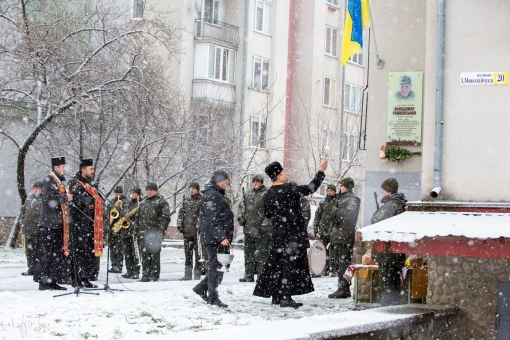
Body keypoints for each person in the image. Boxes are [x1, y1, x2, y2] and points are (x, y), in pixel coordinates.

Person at [253, 159, 327, 308]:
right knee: (290, 265)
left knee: (277, 265)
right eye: (284, 172)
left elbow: (267, 214)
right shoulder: (289, 189)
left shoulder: (267, 194)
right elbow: (310, 188)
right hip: (292, 234)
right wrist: (321, 171)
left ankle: (277, 295)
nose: (287, 174)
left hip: (278, 234)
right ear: (279, 176)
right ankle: (285, 296)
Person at [193, 170, 233, 308]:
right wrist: (221, 237)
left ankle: (202, 288)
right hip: (214, 239)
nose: (227, 183)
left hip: (215, 238)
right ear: (218, 181)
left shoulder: (214, 194)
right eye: (225, 181)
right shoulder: (212, 195)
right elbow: (211, 219)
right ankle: (212, 296)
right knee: (215, 267)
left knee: (219, 266)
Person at [33, 156, 71, 291]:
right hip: (49, 224)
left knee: (56, 255)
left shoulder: (58, 181)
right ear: (56, 167)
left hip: (57, 224)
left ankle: (53, 279)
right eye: (62, 167)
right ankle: (44, 281)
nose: (64, 169)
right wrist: (66, 197)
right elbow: (49, 200)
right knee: (46, 254)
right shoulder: (49, 180)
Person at [68, 159, 104, 289]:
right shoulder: (75, 183)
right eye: (91, 169)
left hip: (90, 224)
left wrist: (94, 204)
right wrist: (85, 203)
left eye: (93, 169)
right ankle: (76, 278)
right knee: (78, 252)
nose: (93, 171)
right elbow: (73, 202)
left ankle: (85, 277)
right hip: (78, 224)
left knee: (88, 253)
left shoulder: (92, 184)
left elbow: (99, 199)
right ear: (83, 170)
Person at [371, 178, 407, 306]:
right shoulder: (401, 204)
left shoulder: (391, 205)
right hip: (396, 250)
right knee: (395, 279)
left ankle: (388, 305)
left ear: (389, 191)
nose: (381, 191)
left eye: (383, 190)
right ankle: (394, 303)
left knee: (387, 280)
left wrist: (376, 213)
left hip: (387, 250)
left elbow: (376, 221)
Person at [328, 178, 360, 298]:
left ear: (348, 187)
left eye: (342, 185)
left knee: (343, 262)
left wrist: (336, 210)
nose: (339, 188)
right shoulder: (338, 198)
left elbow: (350, 216)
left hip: (345, 235)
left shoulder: (353, 199)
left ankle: (344, 287)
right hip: (337, 235)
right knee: (337, 262)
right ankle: (341, 286)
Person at [237, 174, 271, 283]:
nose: (255, 184)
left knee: (262, 253)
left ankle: (261, 275)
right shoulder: (248, 194)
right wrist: (240, 218)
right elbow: (241, 208)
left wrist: (265, 224)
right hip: (248, 228)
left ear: (261, 182)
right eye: (254, 182)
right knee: (248, 253)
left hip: (261, 229)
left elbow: (269, 212)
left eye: (257, 182)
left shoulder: (267, 194)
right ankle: (249, 274)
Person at [134, 182, 170, 282]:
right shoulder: (143, 202)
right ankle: (145, 274)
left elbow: (166, 218)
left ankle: (154, 275)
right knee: (144, 255)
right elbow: (137, 217)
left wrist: (161, 231)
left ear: (155, 191)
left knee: (154, 255)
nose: (149, 192)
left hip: (154, 233)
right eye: (147, 190)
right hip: (143, 233)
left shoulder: (161, 202)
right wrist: (136, 230)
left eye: (151, 190)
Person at [177, 182, 203, 281]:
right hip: (187, 232)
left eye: (193, 188)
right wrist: (180, 225)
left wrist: (200, 226)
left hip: (197, 233)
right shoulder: (186, 201)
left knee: (198, 255)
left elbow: (203, 216)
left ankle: (197, 274)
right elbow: (181, 215)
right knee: (188, 255)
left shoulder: (202, 201)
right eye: (190, 188)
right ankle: (187, 274)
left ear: (197, 189)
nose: (191, 190)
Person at [117, 186, 142, 279]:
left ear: (138, 194)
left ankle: (136, 271)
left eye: (134, 193)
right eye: (131, 193)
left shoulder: (140, 204)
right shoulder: (127, 203)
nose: (132, 194)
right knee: (127, 252)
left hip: (134, 231)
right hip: (125, 231)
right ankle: (129, 271)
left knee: (135, 253)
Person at [313, 184, 337, 277]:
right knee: (323, 251)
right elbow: (317, 216)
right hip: (324, 230)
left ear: (334, 192)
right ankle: (325, 268)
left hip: (334, 231)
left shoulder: (337, 202)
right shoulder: (323, 202)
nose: (329, 192)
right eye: (328, 191)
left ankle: (334, 269)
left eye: (331, 191)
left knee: (333, 251)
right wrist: (316, 229)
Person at [20, 181, 43, 276]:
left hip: (38, 230)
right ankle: (31, 268)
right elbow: (23, 212)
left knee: (39, 251)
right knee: (30, 252)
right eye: (34, 188)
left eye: (37, 188)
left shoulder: (44, 200)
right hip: (28, 230)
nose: (35, 190)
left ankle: (39, 269)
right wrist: (22, 222)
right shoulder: (28, 199)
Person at [107, 186, 125, 274]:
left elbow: (125, 214)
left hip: (119, 228)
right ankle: (113, 265)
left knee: (119, 248)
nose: (117, 194)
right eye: (116, 193)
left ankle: (119, 265)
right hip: (111, 227)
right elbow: (107, 213)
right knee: (112, 247)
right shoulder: (111, 202)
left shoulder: (124, 202)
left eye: (119, 193)